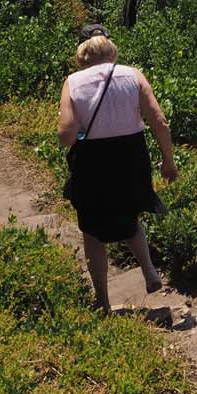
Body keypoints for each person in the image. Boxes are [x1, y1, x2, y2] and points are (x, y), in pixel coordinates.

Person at [57, 23, 178, 312]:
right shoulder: (132, 75)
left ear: (82, 52)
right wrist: (169, 161)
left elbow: (66, 136)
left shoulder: (73, 82)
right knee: (128, 213)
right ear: (110, 47)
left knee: (92, 229)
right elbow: (159, 121)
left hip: (93, 161)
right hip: (131, 156)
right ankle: (149, 272)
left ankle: (102, 299)